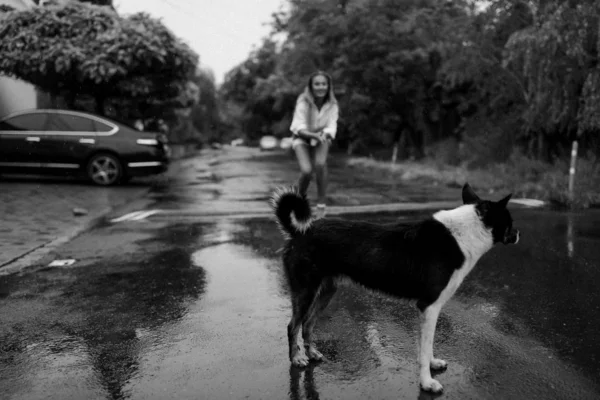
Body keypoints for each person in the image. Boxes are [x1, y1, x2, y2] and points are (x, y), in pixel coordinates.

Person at [289, 71, 339, 218]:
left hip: (322, 138)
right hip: (303, 138)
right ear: (311, 86)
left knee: (320, 164)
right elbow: (297, 126)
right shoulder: (303, 102)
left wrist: (324, 134)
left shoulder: (332, 104)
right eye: (317, 84)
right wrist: (312, 135)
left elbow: (332, 125)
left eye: (324, 84)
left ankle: (321, 206)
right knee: (306, 171)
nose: (320, 87)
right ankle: (298, 203)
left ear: (328, 86)